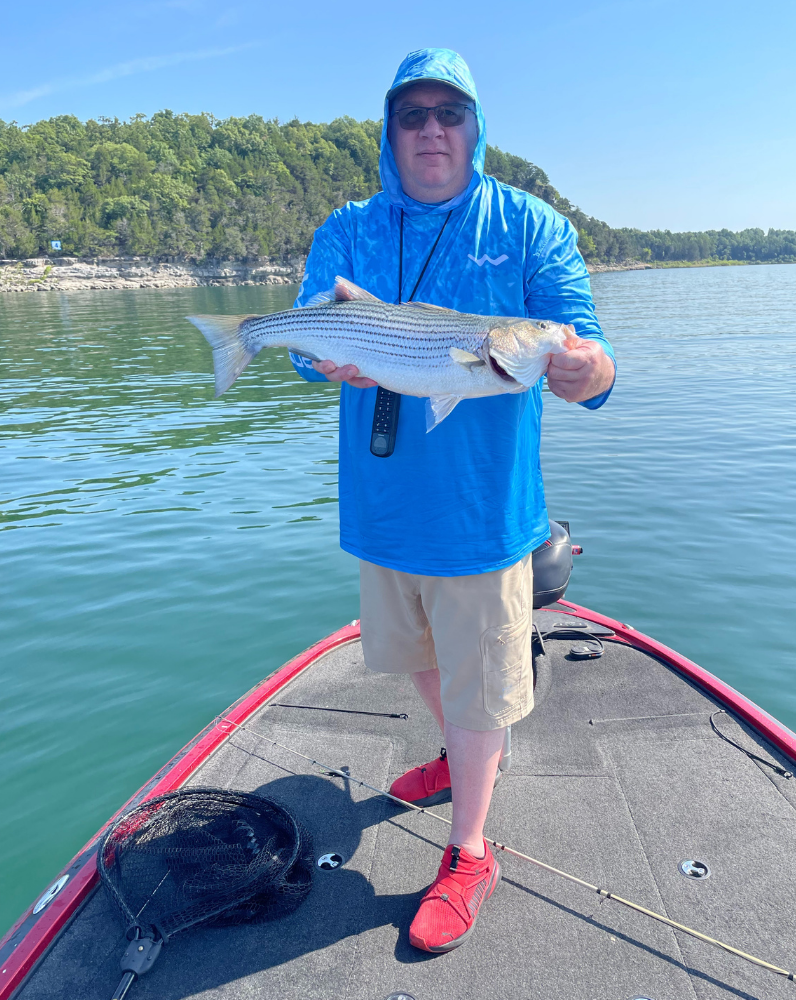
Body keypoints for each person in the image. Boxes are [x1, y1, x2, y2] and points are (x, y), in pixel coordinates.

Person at [289, 48, 615, 953]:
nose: (431, 130)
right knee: (416, 659)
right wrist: (318, 355)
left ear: (475, 127)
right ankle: (464, 754)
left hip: (482, 517)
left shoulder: (531, 225)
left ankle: (470, 852)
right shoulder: (349, 228)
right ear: (390, 131)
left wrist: (584, 368)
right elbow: (309, 339)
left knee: (478, 693)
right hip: (383, 511)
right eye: (413, 115)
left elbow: (587, 356)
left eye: (449, 113)